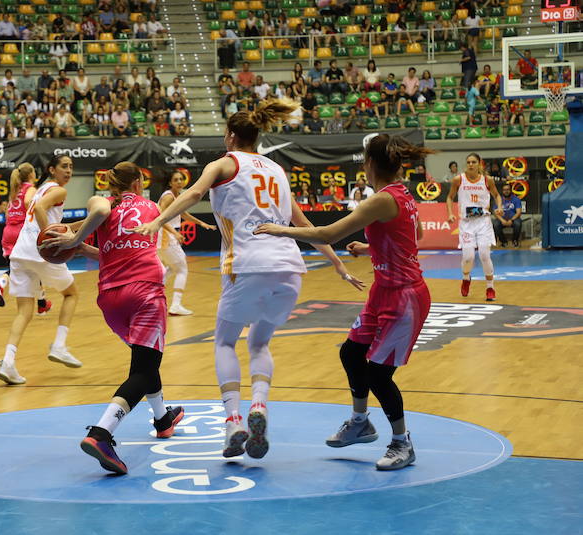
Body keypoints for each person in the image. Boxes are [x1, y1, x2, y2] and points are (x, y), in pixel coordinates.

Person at [133, 100, 362, 459]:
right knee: (259, 343)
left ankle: (234, 421)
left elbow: (193, 194)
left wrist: (156, 222)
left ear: (231, 136)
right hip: (290, 270)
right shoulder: (276, 170)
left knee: (225, 342)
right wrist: (337, 264)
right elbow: (304, 224)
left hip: (248, 264)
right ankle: (259, 406)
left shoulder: (225, 163)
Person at [254, 133, 434, 471]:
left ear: (370, 164)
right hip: (384, 290)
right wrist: (371, 248)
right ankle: (360, 422)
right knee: (350, 352)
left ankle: (402, 443)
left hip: (405, 296)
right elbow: (416, 233)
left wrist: (281, 230)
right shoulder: (403, 194)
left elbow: (328, 235)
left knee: (379, 376)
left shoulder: (381, 199)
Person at [41, 162, 185, 474]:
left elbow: (108, 245)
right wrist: (72, 240)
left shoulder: (104, 206)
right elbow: (101, 209)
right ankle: (102, 433)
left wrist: (79, 245)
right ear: (135, 183)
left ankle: (163, 419)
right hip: (144, 292)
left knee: (145, 363)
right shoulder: (140, 205)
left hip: (111, 299)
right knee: (144, 371)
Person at [0, 155, 81, 385]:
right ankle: (60, 345)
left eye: (71, 167)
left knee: (24, 311)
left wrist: (84, 224)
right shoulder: (58, 191)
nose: (69, 170)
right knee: (71, 294)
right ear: (52, 169)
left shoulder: (41, 189)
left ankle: (8, 362)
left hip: (21, 253)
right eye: (64, 166)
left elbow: (51, 219)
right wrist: (49, 239)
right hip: (39, 252)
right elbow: (43, 212)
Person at [0, 163, 52, 314]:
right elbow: (29, 203)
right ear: (31, 174)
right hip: (22, 231)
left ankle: (41, 302)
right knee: (36, 267)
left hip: (8, 230)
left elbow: (7, 214)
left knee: (18, 268)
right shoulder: (30, 189)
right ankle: (40, 301)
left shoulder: (14, 190)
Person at [156, 170, 216, 316]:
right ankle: (175, 305)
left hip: (167, 236)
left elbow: (183, 213)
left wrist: (202, 223)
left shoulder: (177, 196)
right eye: (175, 179)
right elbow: (160, 218)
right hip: (166, 236)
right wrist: (175, 233)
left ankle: (151, 294)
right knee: (182, 269)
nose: (179, 182)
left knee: (171, 268)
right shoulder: (168, 197)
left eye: (180, 179)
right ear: (170, 182)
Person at [446, 153, 503, 301]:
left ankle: (490, 287)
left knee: (485, 255)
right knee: (468, 257)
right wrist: (450, 213)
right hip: (466, 223)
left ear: (479, 164)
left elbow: (497, 195)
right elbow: (449, 197)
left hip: (483, 222)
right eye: (468, 162)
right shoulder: (459, 179)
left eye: (474, 162)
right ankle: (466, 278)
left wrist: (499, 207)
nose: (471, 164)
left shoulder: (487, 180)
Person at [493, 182, 522, 247]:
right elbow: (495, 213)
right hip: (502, 219)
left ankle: (515, 240)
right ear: (502, 191)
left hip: (513, 219)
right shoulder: (498, 199)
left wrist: (511, 220)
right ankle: (503, 241)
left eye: (508, 190)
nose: (506, 191)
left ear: (511, 190)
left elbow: (518, 212)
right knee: (496, 224)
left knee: (518, 223)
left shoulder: (516, 199)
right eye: (504, 190)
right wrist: (502, 220)